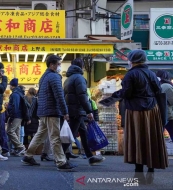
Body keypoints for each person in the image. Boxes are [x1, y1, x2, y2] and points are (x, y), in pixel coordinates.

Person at [111, 50, 168, 184]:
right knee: (151, 140)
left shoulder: (130, 75)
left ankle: (139, 175)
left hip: (136, 111)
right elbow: (158, 91)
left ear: (132, 60)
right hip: (152, 111)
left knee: (138, 141)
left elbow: (127, 93)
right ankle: (151, 171)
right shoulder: (151, 74)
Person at [21, 55, 76, 171]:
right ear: (52, 65)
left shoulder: (43, 77)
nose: (60, 66)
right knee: (55, 137)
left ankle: (28, 155)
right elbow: (59, 96)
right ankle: (61, 162)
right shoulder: (55, 77)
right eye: (59, 64)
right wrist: (65, 111)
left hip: (43, 111)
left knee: (39, 134)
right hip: (52, 111)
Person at [63, 58, 105, 165]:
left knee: (83, 133)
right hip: (77, 110)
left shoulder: (68, 79)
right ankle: (60, 156)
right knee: (71, 134)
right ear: (81, 66)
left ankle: (90, 156)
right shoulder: (79, 78)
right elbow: (83, 96)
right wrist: (89, 111)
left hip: (73, 110)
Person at [6, 79, 27, 156]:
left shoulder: (15, 94)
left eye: (10, 85)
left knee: (10, 131)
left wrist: (11, 116)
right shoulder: (19, 92)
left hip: (16, 115)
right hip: (20, 115)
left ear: (12, 85)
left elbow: (15, 106)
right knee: (16, 132)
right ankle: (17, 149)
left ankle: (20, 147)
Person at [156, 70, 173, 142]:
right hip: (169, 114)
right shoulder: (167, 86)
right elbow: (172, 100)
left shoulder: (158, 85)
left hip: (160, 113)